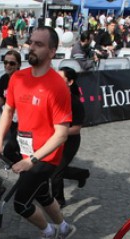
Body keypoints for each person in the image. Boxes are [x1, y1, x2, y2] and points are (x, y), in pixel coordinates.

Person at [0, 26, 75, 239]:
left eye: (39, 44)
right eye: (31, 42)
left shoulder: (58, 86)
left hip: (46, 156)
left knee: (21, 203)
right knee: (43, 194)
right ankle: (64, 228)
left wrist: (32, 160)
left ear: (52, 51)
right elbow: (8, 111)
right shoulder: (18, 78)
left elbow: (61, 134)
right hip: (26, 150)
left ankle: (48, 231)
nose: (32, 47)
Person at [51, 67, 90, 208]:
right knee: (53, 169)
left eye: (60, 78)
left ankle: (58, 201)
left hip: (70, 142)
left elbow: (76, 129)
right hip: (55, 139)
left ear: (70, 82)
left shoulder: (75, 103)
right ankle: (80, 174)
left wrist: (58, 132)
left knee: (56, 172)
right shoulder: (53, 97)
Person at [0, 50, 22, 164]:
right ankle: (26, 169)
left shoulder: (23, 79)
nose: (8, 65)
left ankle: (27, 169)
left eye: (12, 63)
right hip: (12, 120)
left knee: (9, 151)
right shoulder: (4, 79)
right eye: (5, 62)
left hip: (24, 122)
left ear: (19, 64)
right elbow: (3, 98)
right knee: (18, 150)